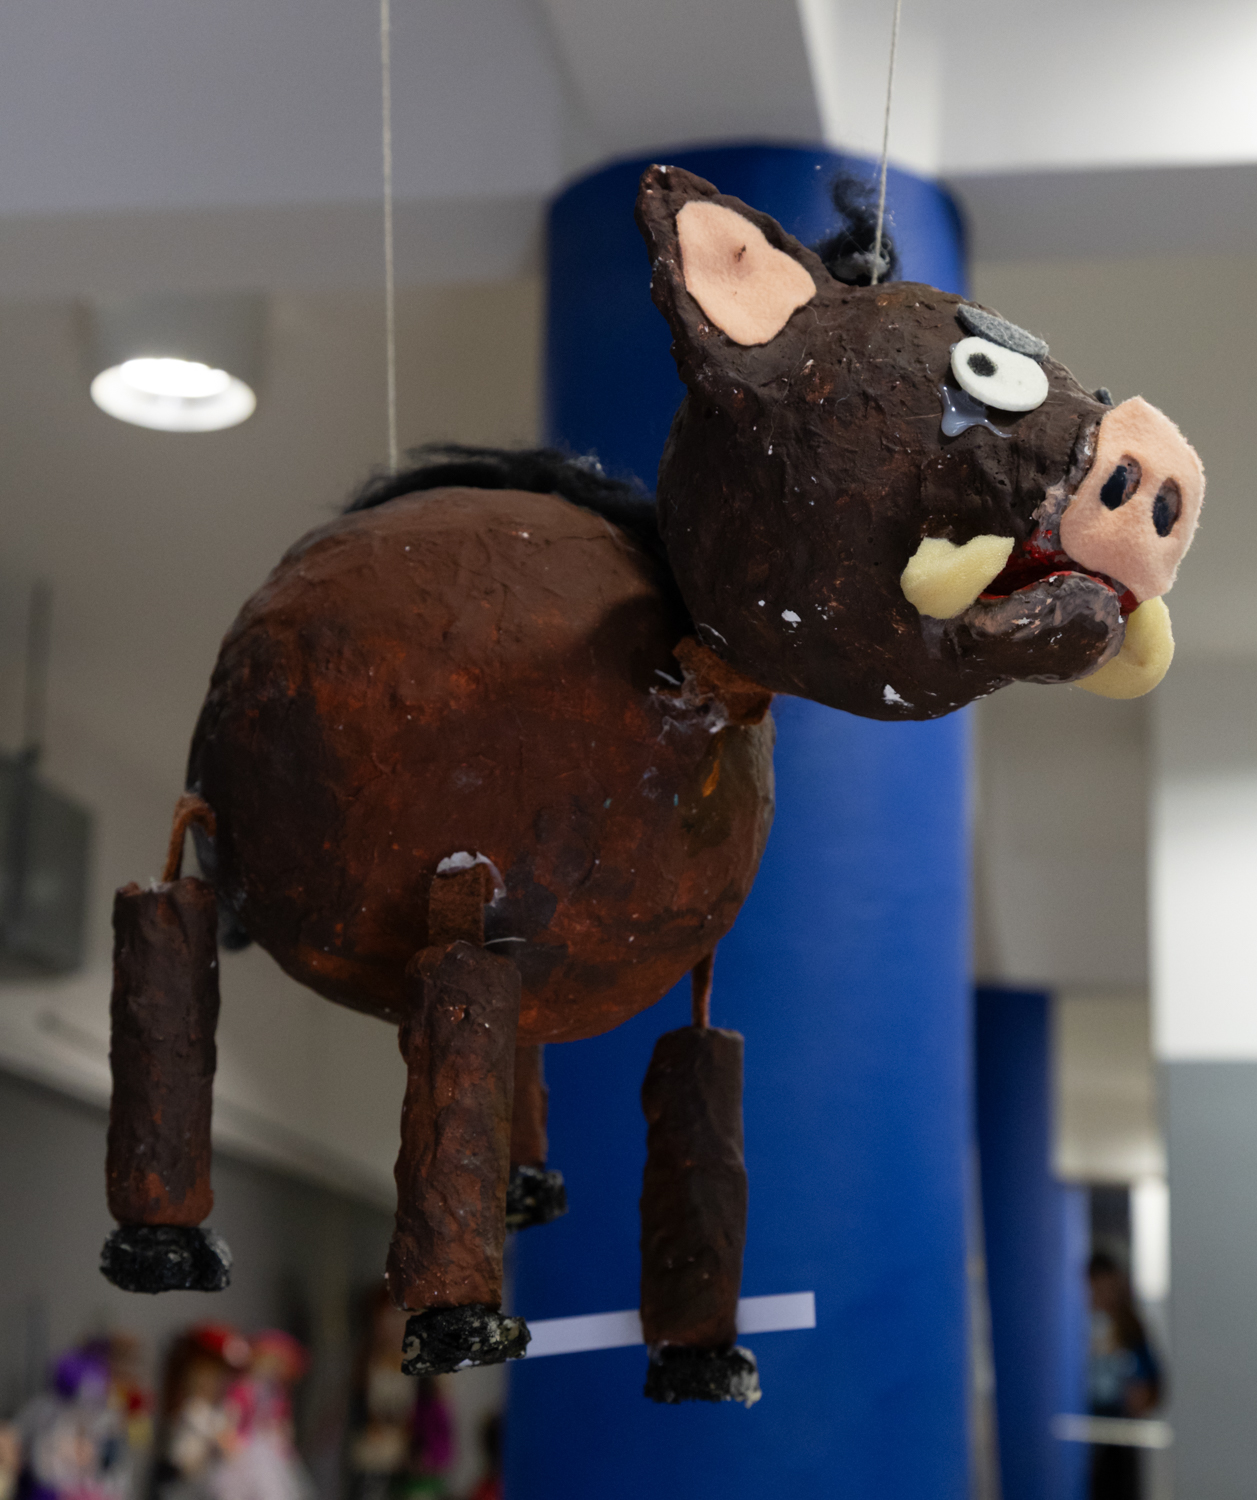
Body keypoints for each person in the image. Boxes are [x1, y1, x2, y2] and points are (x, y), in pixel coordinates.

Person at [1087, 1252, 1162, 1500]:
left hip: (1120, 1438)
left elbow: (1153, 1384)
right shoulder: (1074, 1331)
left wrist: (1142, 1396)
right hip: (1084, 1437)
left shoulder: (1131, 1329)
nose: (1106, 1297)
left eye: (1111, 1289)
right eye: (1098, 1289)